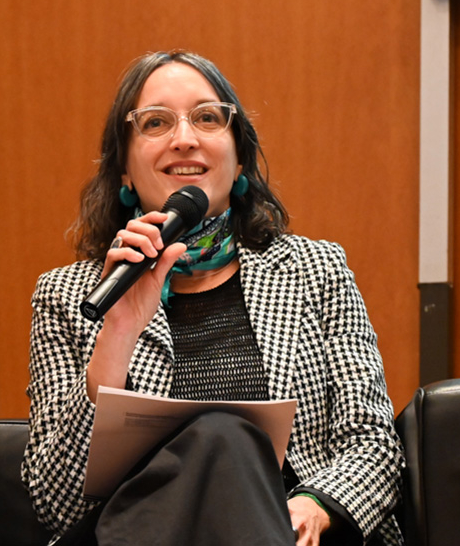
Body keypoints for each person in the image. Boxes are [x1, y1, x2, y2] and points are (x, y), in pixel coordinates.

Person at [22, 50, 403, 546]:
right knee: (217, 435)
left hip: (291, 532)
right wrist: (116, 333)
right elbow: (57, 504)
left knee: (225, 437)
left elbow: (372, 442)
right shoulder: (69, 296)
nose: (185, 139)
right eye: (156, 122)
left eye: (207, 118)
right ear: (123, 170)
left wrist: (315, 504)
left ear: (239, 155)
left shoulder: (316, 271)